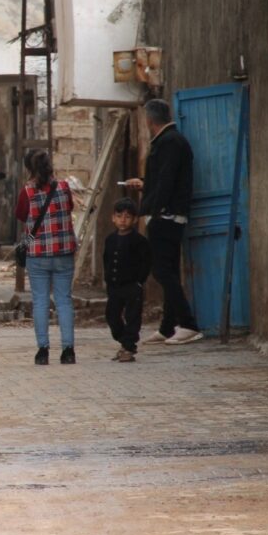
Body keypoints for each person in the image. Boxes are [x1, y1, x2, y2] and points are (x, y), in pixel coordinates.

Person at [124, 98, 202, 345]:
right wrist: (145, 186)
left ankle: (188, 323)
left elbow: (167, 182)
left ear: (149, 120)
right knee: (167, 270)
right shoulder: (169, 141)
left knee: (161, 270)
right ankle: (168, 326)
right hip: (166, 213)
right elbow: (161, 180)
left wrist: (151, 209)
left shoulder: (170, 143)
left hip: (166, 215)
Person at [15, 149, 78, 365]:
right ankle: (68, 350)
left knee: (40, 301)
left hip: (38, 254)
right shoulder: (64, 187)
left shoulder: (27, 192)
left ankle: (43, 350)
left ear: (29, 168)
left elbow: (21, 216)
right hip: (64, 251)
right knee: (64, 300)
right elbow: (69, 208)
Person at [104, 198, 152, 362]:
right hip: (115, 286)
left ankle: (129, 347)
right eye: (119, 216)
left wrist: (140, 281)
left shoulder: (139, 241)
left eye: (127, 217)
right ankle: (124, 341)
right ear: (113, 218)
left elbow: (146, 262)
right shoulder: (110, 240)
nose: (123, 220)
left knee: (132, 317)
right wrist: (108, 281)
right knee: (112, 315)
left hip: (132, 286)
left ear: (135, 219)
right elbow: (107, 261)